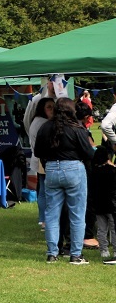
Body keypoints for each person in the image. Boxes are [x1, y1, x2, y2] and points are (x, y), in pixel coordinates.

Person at [34, 97, 96, 264]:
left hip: (52, 169)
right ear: (72, 110)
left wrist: (49, 163)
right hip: (74, 169)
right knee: (77, 214)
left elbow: (38, 151)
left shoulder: (45, 127)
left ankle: (52, 253)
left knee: (52, 214)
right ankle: (76, 254)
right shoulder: (77, 128)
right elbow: (89, 153)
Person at [28, 97, 55, 231]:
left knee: (42, 190)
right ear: (42, 109)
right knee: (45, 190)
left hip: (39, 159)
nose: (52, 110)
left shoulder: (36, 120)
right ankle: (44, 219)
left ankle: (42, 218)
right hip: (43, 159)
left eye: (53, 107)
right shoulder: (44, 123)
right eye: (49, 107)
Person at [90, 146, 116, 264]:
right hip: (111, 205)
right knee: (113, 228)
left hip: (98, 205)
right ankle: (115, 250)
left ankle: (103, 249)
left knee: (101, 229)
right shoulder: (111, 171)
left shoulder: (92, 172)